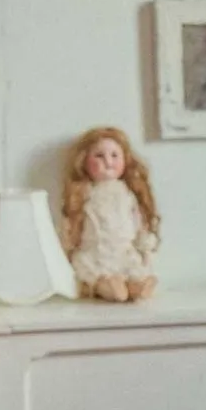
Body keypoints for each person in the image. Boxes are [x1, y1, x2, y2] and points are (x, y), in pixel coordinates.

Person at [61, 126, 160, 302]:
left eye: (114, 155)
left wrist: (144, 240)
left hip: (123, 250)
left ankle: (137, 286)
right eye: (99, 156)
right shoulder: (85, 193)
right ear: (84, 161)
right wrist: (68, 245)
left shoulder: (127, 194)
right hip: (96, 251)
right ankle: (108, 287)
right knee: (99, 276)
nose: (108, 161)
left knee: (134, 270)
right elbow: (72, 226)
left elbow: (138, 220)